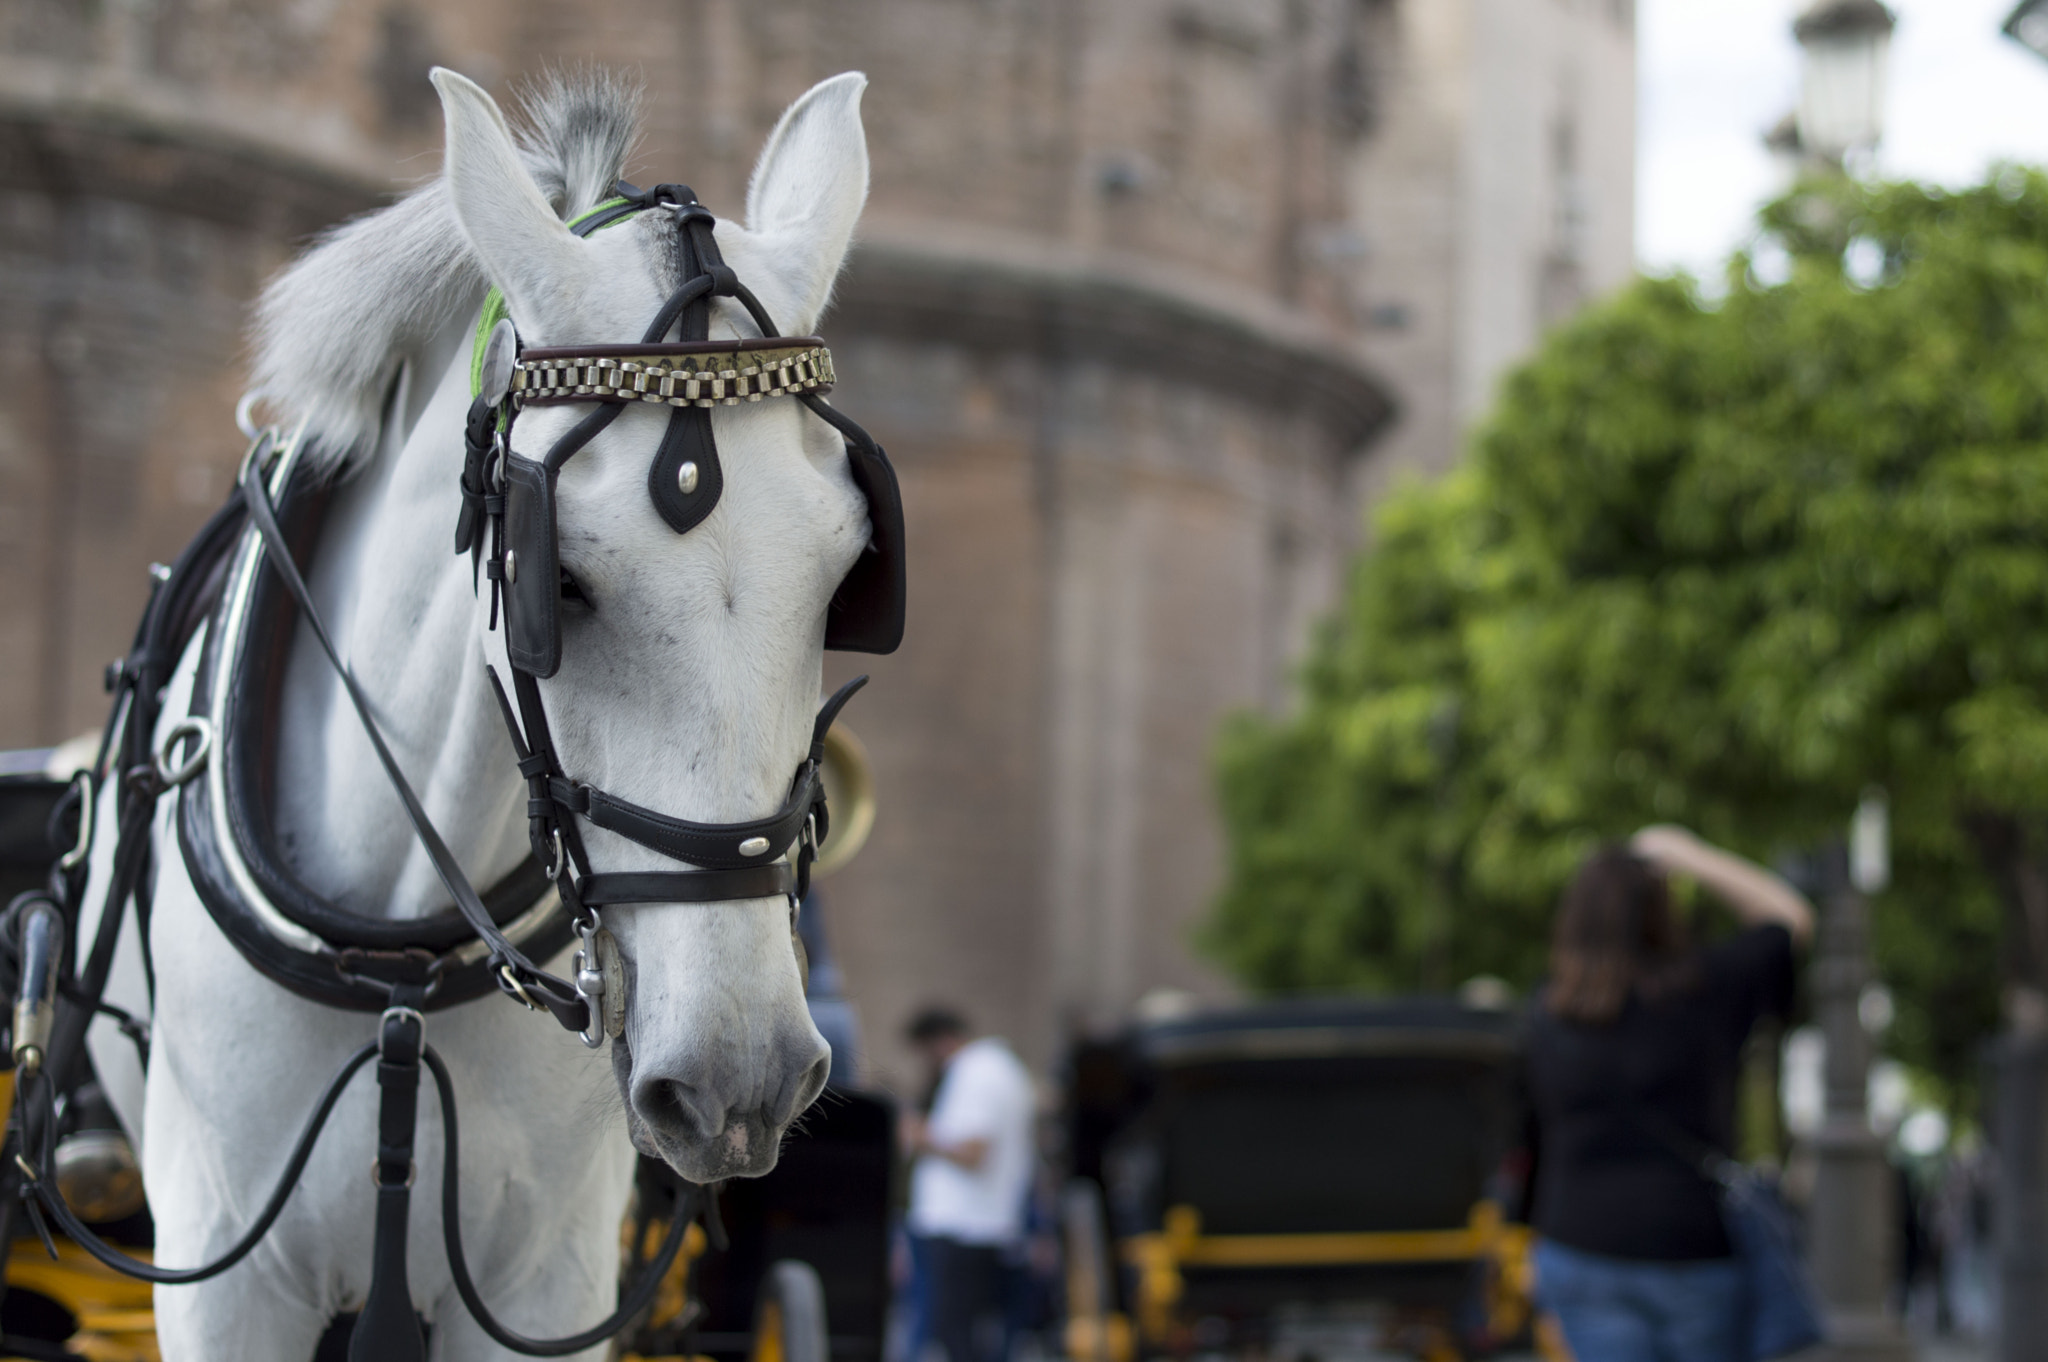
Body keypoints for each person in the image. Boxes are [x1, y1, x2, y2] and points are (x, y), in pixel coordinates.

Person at [1523, 825, 1814, 1362]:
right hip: (1689, 1246)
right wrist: (1693, 857)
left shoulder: (1545, 1015)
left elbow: (1527, 1140)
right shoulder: (1704, 990)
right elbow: (1789, 918)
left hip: (1578, 1242)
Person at [900, 1007, 1037, 1362]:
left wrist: (917, 1133)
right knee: (970, 1333)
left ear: (939, 1043)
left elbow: (973, 1151)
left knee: (952, 1333)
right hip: (983, 1223)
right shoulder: (1004, 1068)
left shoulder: (975, 1070)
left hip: (957, 1225)